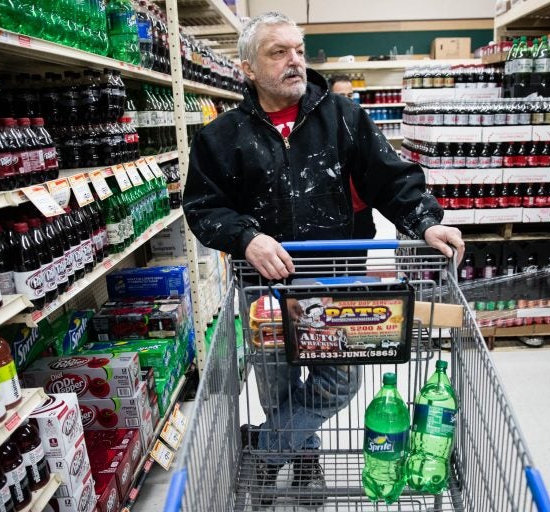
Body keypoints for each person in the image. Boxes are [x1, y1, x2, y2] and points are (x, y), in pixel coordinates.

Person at [183, 11, 464, 507]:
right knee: (276, 381)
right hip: (263, 289)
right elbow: (204, 208)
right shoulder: (220, 137)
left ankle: (268, 449)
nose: (294, 61)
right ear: (247, 67)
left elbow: (391, 179)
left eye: (298, 50)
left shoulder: (345, 117)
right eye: (278, 52)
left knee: (340, 380)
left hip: (336, 281)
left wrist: (426, 220)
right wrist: (245, 236)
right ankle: (303, 454)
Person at [328, 74, 377, 243]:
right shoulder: (321, 130)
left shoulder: (362, 125)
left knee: (359, 260)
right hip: (333, 211)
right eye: (340, 96)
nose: (347, 101)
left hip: (361, 208)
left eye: (350, 96)